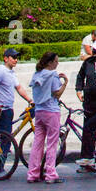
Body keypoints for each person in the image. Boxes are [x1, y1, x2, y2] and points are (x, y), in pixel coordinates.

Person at [0, 48, 32, 174]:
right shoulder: (1, 72)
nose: (16, 60)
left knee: (5, 140)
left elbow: (19, 88)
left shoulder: (11, 73)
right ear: (6, 58)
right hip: (1, 111)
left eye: (17, 57)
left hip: (8, 110)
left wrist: (30, 100)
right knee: (3, 141)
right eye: (13, 57)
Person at [26, 53, 67, 184]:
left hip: (39, 111)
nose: (57, 63)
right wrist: (65, 83)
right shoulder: (53, 75)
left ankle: (33, 173)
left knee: (37, 143)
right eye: (55, 61)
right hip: (51, 111)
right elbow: (57, 93)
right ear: (50, 63)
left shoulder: (37, 74)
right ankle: (50, 173)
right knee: (52, 143)